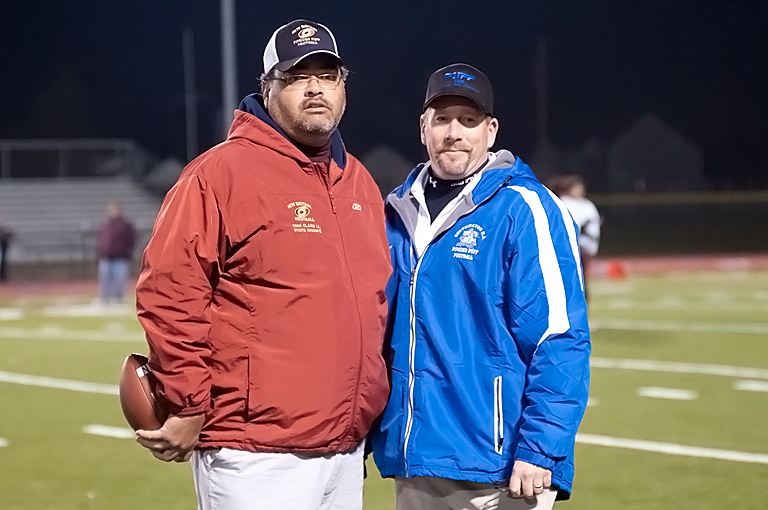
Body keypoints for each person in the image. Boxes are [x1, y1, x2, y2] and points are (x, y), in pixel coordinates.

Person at [134, 19, 391, 510]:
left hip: (343, 448)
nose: (315, 89)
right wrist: (189, 403)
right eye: (297, 76)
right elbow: (170, 293)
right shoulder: (220, 173)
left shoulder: (359, 181)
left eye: (328, 75)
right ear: (267, 88)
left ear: (344, 87)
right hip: (254, 451)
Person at [370, 64, 591, 510]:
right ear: (423, 128)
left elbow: (560, 339)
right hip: (417, 459)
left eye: (468, 121)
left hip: (501, 466)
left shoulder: (526, 208)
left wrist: (539, 449)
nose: (455, 133)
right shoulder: (396, 211)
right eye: (443, 119)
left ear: (491, 131)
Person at [555, 175, 601, 300]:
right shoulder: (562, 202)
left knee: (582, 279)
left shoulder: (587, 205)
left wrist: (592, 245)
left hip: (583, 247)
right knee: (566, 278)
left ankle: (585, 309)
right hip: (566, 248)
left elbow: (594, 228)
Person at [95, 202, 136, 303]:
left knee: (120, 280)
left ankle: (119, 299)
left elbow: (131, 240)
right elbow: (101, 239)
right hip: (106, 256)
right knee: (105, 280)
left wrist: (127, 252)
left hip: (120, 257)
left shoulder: (125, 225)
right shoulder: (106, 224)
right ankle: (104, 299)